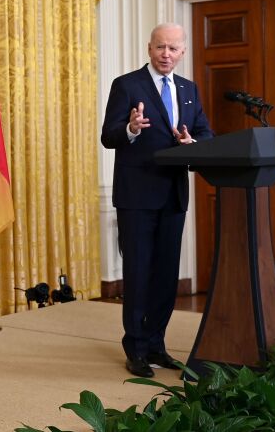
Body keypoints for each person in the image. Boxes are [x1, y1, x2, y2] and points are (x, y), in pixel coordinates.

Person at [100, 23, 214, 378]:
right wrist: (131, 129)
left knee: (166, 276)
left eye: (173, 49)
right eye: (161, 47)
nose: (167, 54)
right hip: (136, 195)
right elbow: (108, 136)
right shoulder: (127, 85)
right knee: (138, 273)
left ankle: (156, 343)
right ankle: (134, 347)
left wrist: (191, 144)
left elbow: (204, 134)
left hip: (173, 194)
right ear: (149, 48)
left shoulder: (189, 90)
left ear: (182, 53)